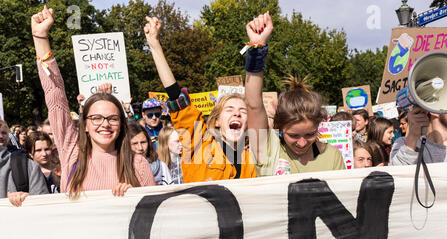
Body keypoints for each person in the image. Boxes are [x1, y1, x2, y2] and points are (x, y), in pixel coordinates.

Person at [32, 6, 155, 199]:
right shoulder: (71, 151)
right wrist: (40, 37)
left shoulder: (137, 163)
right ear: (86, 124)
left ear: (122, 124)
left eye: (112, 118)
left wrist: (135, 197)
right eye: (96, 118)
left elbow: (154, 213)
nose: (105, 124)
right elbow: (55, 96)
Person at [144, 16, 256, 182]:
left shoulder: (250, 161)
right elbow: (176, 96)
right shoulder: (198, 143)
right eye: (230, 109)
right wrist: (154, 45)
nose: (237, 114)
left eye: (243, 111)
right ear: (217, 121)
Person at [244, 12, 345, 176]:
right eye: (293, 135)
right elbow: (253, 104)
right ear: (280, 127)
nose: (302, 143)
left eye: (310, 134)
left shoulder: (332, 156)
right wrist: (257, 48)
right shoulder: (267, 149)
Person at [0, 120, 49, 206]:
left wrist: (28, 200)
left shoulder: (27, 166)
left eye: (3, 133)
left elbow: (44, 206)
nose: (0, 136)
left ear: (9, 135)